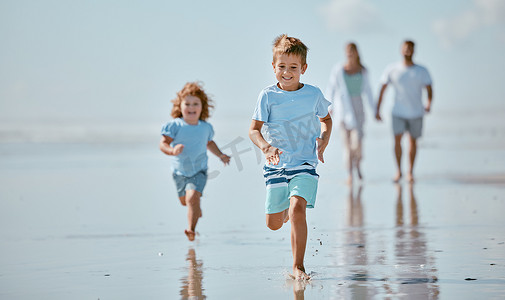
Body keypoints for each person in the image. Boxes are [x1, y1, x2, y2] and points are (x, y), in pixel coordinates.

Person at [249, 34, 332, 281]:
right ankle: (282, 210)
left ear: (303, 68)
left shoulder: (313, 94)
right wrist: (266, 147)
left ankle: (298, 266)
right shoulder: (267, 96)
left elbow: (325, 119)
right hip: (276, 166)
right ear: (273, 67)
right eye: (282, 66)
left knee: (298, 208)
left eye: (293, 67)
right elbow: (253, 130)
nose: (287, 72)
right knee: (274, 223)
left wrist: (324, 140)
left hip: (305, 163)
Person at [160, 82, 230, 241]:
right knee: (185, 202)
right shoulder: (175, 126)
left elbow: (209, 143)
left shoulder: (205, 127)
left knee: (192, 198)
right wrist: (172, 150)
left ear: (202, 106)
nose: (191, 107)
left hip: (199, 171)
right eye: (187, 103)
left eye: (195, 103)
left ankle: (191, 230)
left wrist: (221, 155)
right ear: (180, 106)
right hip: (179, 173)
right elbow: (162, 144)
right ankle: (196, 208)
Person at [376, 40, 433, 183]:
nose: (408, 50)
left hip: (416, 112)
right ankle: (398, 171)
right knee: (397, 140)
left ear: (414, 51)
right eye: (405, 48)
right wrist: (378, 108)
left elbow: (429, 88)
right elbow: (383, 88)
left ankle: (410, 172)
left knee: (413, 142)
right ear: (401, 50)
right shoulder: (392, 69)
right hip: (398, 112)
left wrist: (429, 103)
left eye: (410, 48)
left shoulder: (421, 70)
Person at [326, 42, 375, 185]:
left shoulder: (363, 70)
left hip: (358, 107)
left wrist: (375, 110)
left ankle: (358, 165)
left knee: (357, 143)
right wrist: (329, 106)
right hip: (343, 108)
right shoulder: (338, 69)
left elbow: (369, 91)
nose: (349, 53)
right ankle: (349, 174)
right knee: (346, 146)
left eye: (352, 51)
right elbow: (331, 88)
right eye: (347, 51)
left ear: (356, 52)